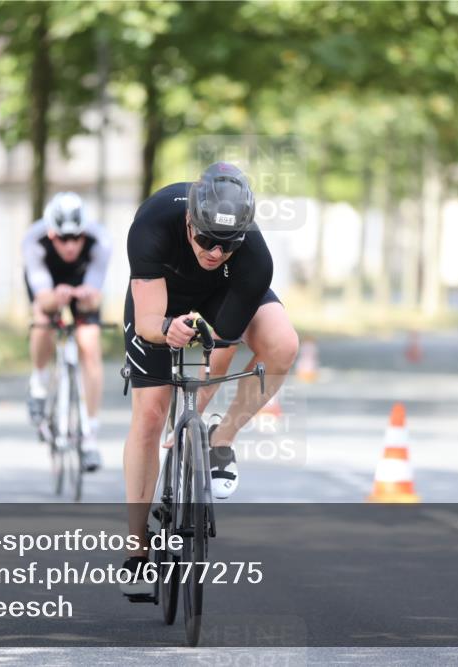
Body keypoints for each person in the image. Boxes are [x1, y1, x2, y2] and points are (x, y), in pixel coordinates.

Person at [119, 162, 299, 594]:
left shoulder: (254, 259)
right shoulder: (153, 221)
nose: (214, 252)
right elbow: (147, 320)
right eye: (204, 239)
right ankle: (136, 545)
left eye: (226, 244)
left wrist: (194, 420)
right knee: (149, 416)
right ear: (188, 221)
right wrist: (166, 329)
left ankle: (221, 439)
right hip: (162, 301)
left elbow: (220, 349)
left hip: (223, 296)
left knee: (283, 343)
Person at [22, 192, 112, 472]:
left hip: (82, 285)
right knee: (44, 319)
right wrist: (56, 297)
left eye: (77, 238)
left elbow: (95, 298)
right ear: (51, 234)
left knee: (90, 343)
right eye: (63, 239)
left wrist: (87, 296)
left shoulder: (101, 241)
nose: (71, 245)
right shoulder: (33, 240)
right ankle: (38, 381)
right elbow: (43, 298)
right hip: (48, 287)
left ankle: (89, 435)